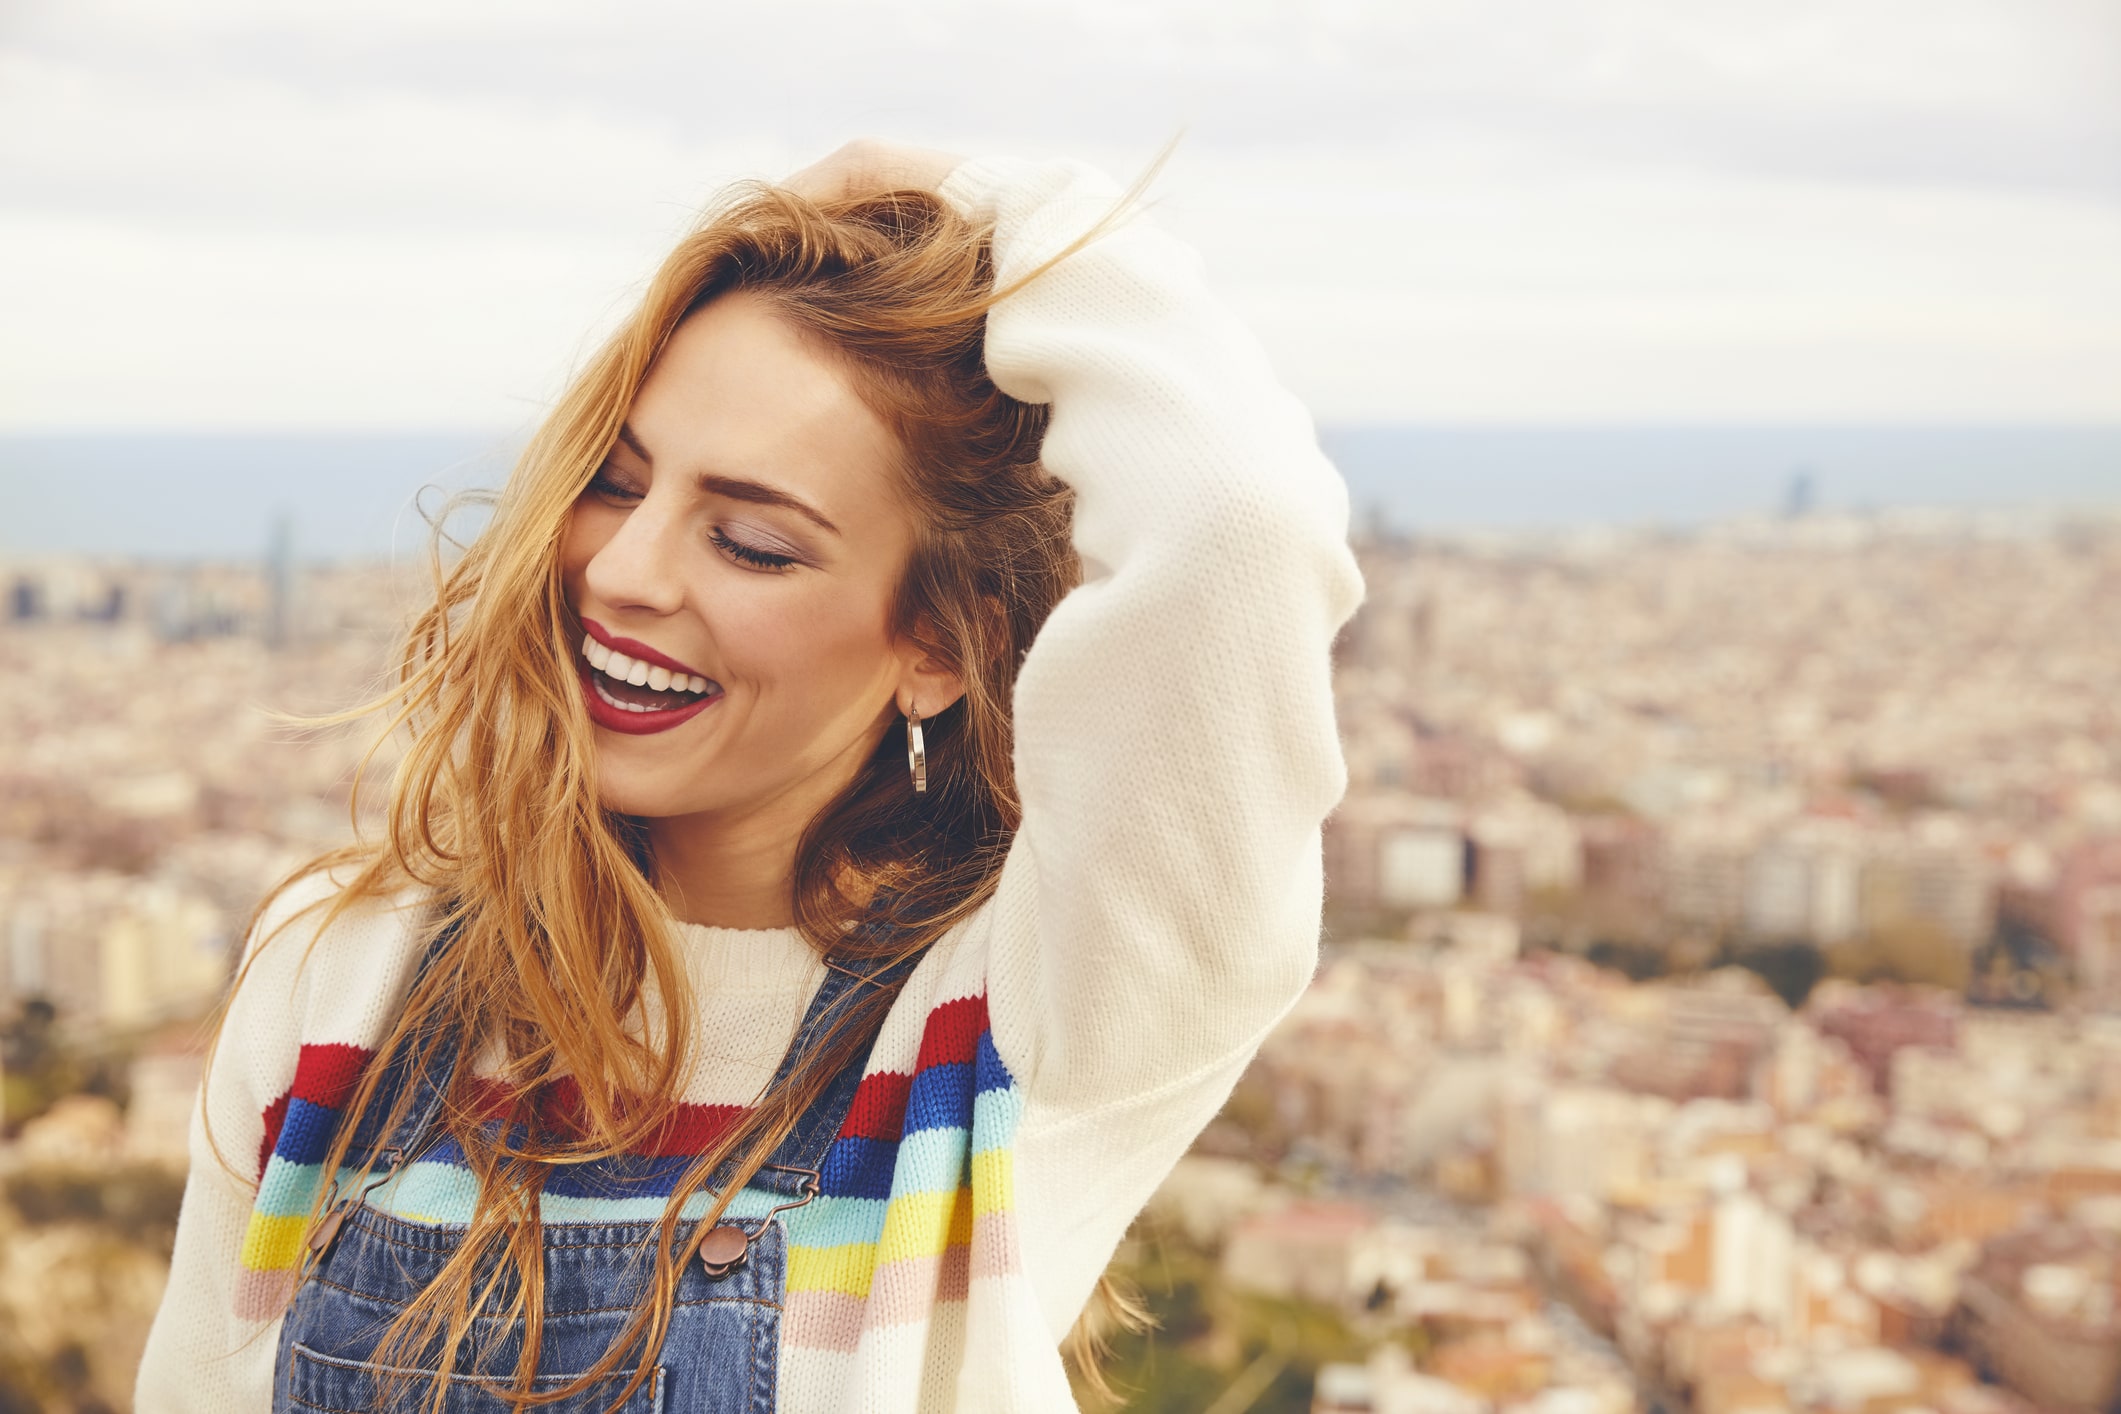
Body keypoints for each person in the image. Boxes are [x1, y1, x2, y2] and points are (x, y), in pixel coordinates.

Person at [136, 139, 1363, 1413]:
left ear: (941, 644)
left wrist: (965, 199)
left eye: (753, 542)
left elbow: (1236, 523)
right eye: (614, 483)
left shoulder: (1013, 1033)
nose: (625, 572)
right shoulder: (345, 973)